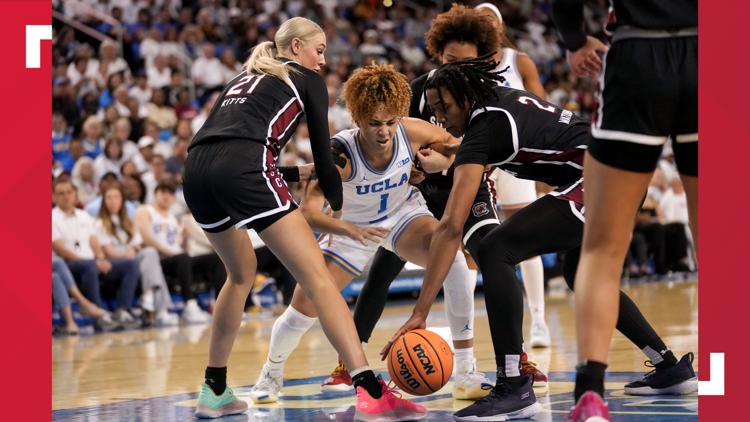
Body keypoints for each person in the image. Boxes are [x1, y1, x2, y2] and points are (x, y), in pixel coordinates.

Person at [386, 58, 697, 421]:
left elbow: (451, 226)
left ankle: (514, 384)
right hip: (616, 174)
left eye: (445, 108)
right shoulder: (497, 102)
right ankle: (669, 367)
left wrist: (420, 311)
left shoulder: (484, 127)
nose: (440, 120)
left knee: (495, 249)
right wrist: (456, 151)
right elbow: (522, 135)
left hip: (600, 183)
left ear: (466, 97)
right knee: (579, 274)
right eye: (435, 111)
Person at [182, 17, 425, 419]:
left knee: (240, 274)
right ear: (296, 48)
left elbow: (232, 140)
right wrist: (337, 201)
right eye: (319, 49)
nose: (323, 60)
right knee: (318, 279)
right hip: (245, 166)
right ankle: (369, 389)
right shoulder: (306, 79)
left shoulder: (246, 76)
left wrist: (299, 176)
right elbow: (326, 162)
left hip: (196, 171)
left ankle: (214, 389)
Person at [249, 63, 488, 403]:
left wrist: (441, 162)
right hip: (351, 230)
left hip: (403, 215)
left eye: (390, 121)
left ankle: (465, 370)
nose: (384, 131)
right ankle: (271, 373)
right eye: (375, 123)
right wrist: (347, 227)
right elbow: (309, 214)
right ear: (358, 119)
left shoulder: (411, 131)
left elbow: (462, 145)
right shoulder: (339, 153)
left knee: (453, 261)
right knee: (303, 310)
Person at [551, 1, 698, 419]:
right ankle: (728, 389)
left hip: (638, 53)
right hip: (718, 45)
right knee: (720, 251)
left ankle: (591, 398)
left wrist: (574, 39)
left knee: (601, 249)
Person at [475, 1, 551, 348]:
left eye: (490, 19)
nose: (485, 25)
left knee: (527, 239)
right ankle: (480, 335)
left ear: (501, 26)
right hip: (481, 160)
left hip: (516, 157)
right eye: (479, 21)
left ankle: (538, 320)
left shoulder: (517, 61)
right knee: (477, 241)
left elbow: (542, 108)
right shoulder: (464, 63)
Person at [52, 178, 140, 330]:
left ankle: (123, 309)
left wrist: (100, 258)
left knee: (131, 264)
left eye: (69, 192)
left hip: (92, 263)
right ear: (53, 196)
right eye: (61, 193)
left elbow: (94, 241)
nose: (66, 196)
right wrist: (93, 262)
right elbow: (60, 249)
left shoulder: (83, 215)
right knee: (88, 266)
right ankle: (99, 315)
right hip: (69, 266)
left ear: (75, 195)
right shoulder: (51, 217)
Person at [96, 182, 179, 327]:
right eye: (109, 197)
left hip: (131, 257)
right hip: (113, 262)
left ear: (122, 200)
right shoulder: (99, 223)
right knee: (149, 263)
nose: (113, 201)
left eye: (116, 197)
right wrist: (125, 255)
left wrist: (132, 251)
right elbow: (107, 250)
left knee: (150, 252)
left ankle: (148, 295)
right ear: (104, 201)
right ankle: (160, 310)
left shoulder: (127, 221)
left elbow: (137, 243)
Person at [134, 183, 211, 324]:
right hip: (154, 258)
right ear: (155, 194)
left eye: (170, 193)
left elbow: (179, 246)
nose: (166, 196)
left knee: (215, 259)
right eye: (163, 192)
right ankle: (190, 305)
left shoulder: (172, 218)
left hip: (173, 259)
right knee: (181, 258)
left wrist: (185, 238)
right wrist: (171, 253)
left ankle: (217, 303)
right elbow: (146, 239)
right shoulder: (145, 210)